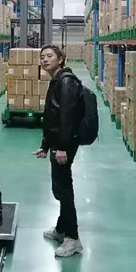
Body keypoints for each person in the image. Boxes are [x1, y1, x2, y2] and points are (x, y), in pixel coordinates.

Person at [35, 44, 84, 257]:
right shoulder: (57, 80)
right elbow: (52, 116)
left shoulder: (66, 82)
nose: (45, 60)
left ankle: (73, 238)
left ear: (60, 59)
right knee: (60, 187)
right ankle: (61, 229)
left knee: (64, 189)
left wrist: (62, 147)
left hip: (64, 145)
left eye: (49, 56)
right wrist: (45, 145)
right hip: (57, 144)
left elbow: (67, 117)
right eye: (42, 57)